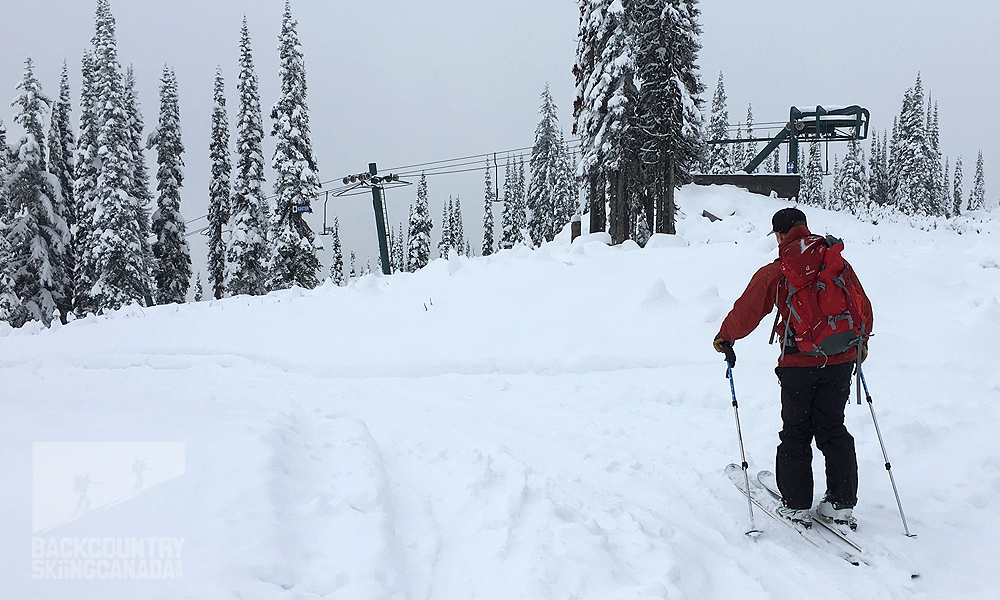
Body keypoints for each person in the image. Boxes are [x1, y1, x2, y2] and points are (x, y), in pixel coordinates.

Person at [713, 207, 873, 528]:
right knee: (832, 428)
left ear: (780, 234)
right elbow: (861, 304)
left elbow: (748, 310)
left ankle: (797, 505)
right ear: (805, 227)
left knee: (796, 432)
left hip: (798, 364)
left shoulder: (779, 270)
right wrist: (861, 342)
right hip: (841, 360)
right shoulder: (835, 260)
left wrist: (725, 338)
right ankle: (841, 503)